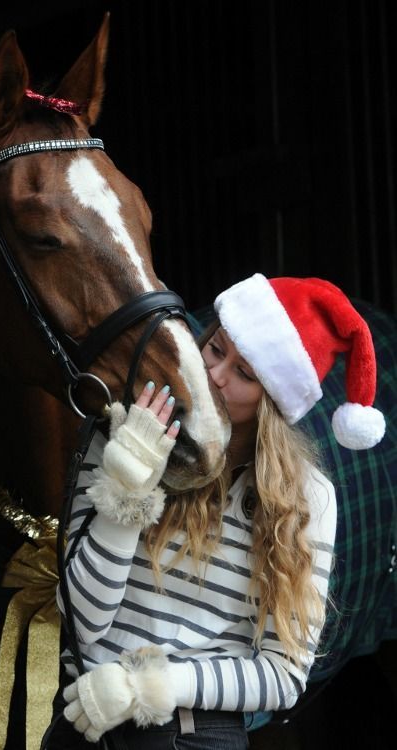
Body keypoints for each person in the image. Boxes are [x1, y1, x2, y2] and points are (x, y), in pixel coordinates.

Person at [42, 273, 385, 749]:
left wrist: (148, 687)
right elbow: (80, 622)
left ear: (274, 402)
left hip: (192, 734)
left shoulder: (307, 499)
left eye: (245, 374)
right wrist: (128, 486)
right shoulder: (122, 438)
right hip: (82, 723)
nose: (216, 376)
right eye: (216, 349)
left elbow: (284, 676)